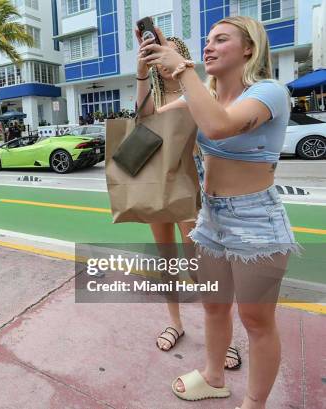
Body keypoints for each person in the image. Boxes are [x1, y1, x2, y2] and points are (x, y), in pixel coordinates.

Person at [140, 16, 300, 408]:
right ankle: (213, 377)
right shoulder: (202, 94)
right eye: (207, 40)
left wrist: (181, 67)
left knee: (257, 321)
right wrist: (143, 74)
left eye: (221, 39)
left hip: (254, 219)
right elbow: (148, 124)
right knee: (213, 305)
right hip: (211, 216)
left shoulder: (269, 92)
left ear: (249, 48)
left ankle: (254, 403)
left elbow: (218, 126)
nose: (209, 46)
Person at [135, 30, 242, 370]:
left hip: (191, 180)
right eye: (159, 51)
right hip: (156, 179)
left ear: (181, 55)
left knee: (199, 263)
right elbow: (142, 121)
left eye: (170, 50)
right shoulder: (150, 91)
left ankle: (226, 337)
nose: (163, 56)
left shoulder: (200, 89)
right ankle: (175, 322)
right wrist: (140, 73)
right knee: (166, 258)